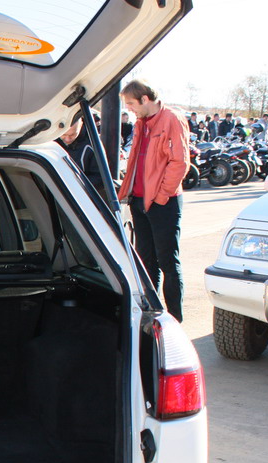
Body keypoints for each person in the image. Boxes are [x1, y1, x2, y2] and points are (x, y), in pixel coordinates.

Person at [117, 79, 188, 322]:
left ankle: (175, 320)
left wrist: (160, 196)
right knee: (146, 262)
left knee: (167, 261)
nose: (129, 109)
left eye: (131, 104)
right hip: (139, 200)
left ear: (145, 99)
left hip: (162, 203)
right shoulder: (141, 123)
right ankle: (153, 316)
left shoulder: (171, 119)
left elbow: (179, 162)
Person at [56, 118, 103, 193]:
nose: (67, 139)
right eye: (63, 134)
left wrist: (75, 185)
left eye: (72, 134)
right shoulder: (48, 140)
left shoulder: (92, 143)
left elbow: (99, 177)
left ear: (81, 125)